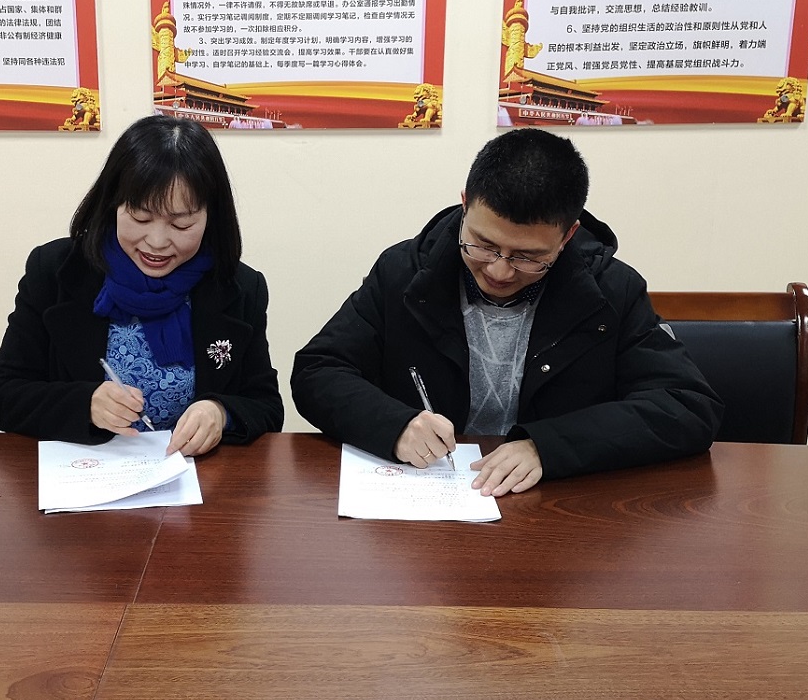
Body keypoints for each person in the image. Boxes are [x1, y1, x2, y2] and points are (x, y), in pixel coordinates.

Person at [291, 127, 721, 496]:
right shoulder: (405, 273)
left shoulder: (609, 291)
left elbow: (686, 406)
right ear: (465, 205)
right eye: (483, 244)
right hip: (430, 495)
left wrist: (548, 447)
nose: (499, 271)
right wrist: (395, 425)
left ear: (568, 235)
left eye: (527, 257)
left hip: (555, 508)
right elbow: (318, 370)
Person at [0, 115, 284, 453]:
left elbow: (267, 407)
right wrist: (85, 403)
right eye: (140, 217)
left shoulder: (240, 287)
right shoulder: (55, 270)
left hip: (190, 476)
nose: (157, 242)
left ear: (210, 217)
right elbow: (1, 394)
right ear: (113, 203)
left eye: (181, 225)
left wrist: (220, 413)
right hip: (84, 471)